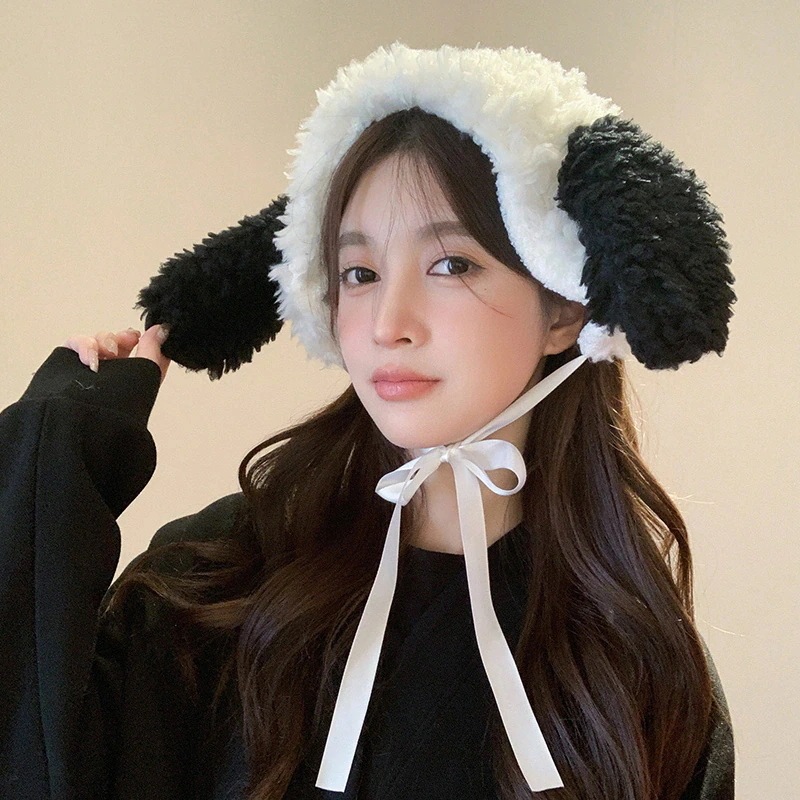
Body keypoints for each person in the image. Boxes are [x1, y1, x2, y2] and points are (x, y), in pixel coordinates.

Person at [0, 43, 736, 800]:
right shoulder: (217, 582)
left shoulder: (635, 658)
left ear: (565, 309)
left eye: (452, 264)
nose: (388, 322)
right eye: (360, 273)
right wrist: (56, 449)